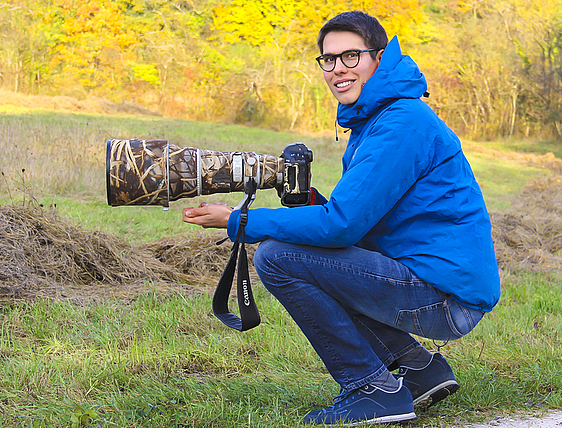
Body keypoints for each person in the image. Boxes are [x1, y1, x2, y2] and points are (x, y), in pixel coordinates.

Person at [182, 10, 500, 425]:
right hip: (435, 283)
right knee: (310, 256)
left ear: (379, 58)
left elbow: (342, 226)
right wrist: (308, 199)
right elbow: (359, 219)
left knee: (277, 257)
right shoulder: (378, 119)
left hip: (446, 297)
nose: (337, 69)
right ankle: (420, 370)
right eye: (328, 59)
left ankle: (373, 389)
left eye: (351, 56)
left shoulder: (401, 122)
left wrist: (240, 222)